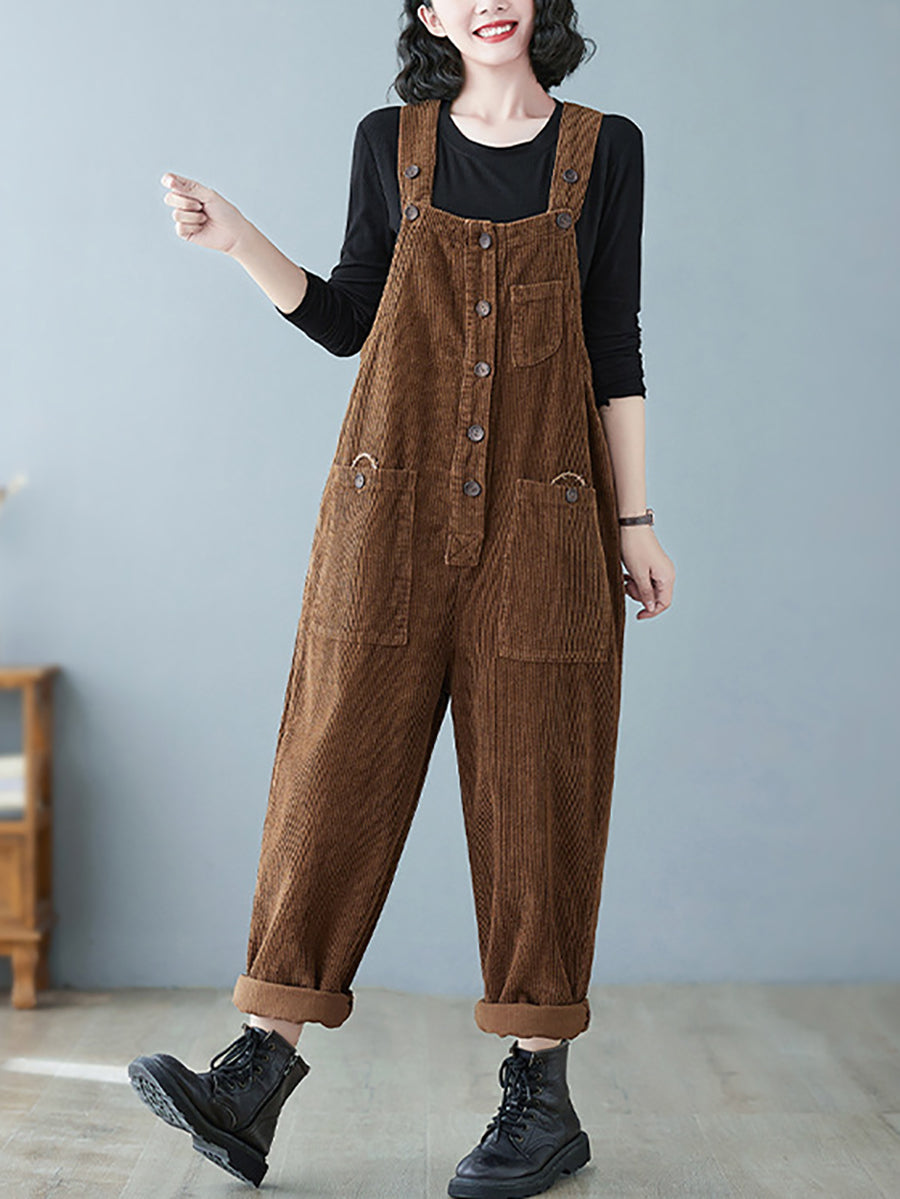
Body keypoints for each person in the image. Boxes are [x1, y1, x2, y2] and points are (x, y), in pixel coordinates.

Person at [128, 1, 675, 1194]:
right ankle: (256, 1070)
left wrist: (635, 523)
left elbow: (613, 340)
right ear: (428, 11)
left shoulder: (607, 147)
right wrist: (240, 241)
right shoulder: (392, 142)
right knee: (332, 764)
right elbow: (350, 320)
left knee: (540, 789)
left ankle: (541, 1099)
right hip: (385, 518)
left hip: (549, 518)